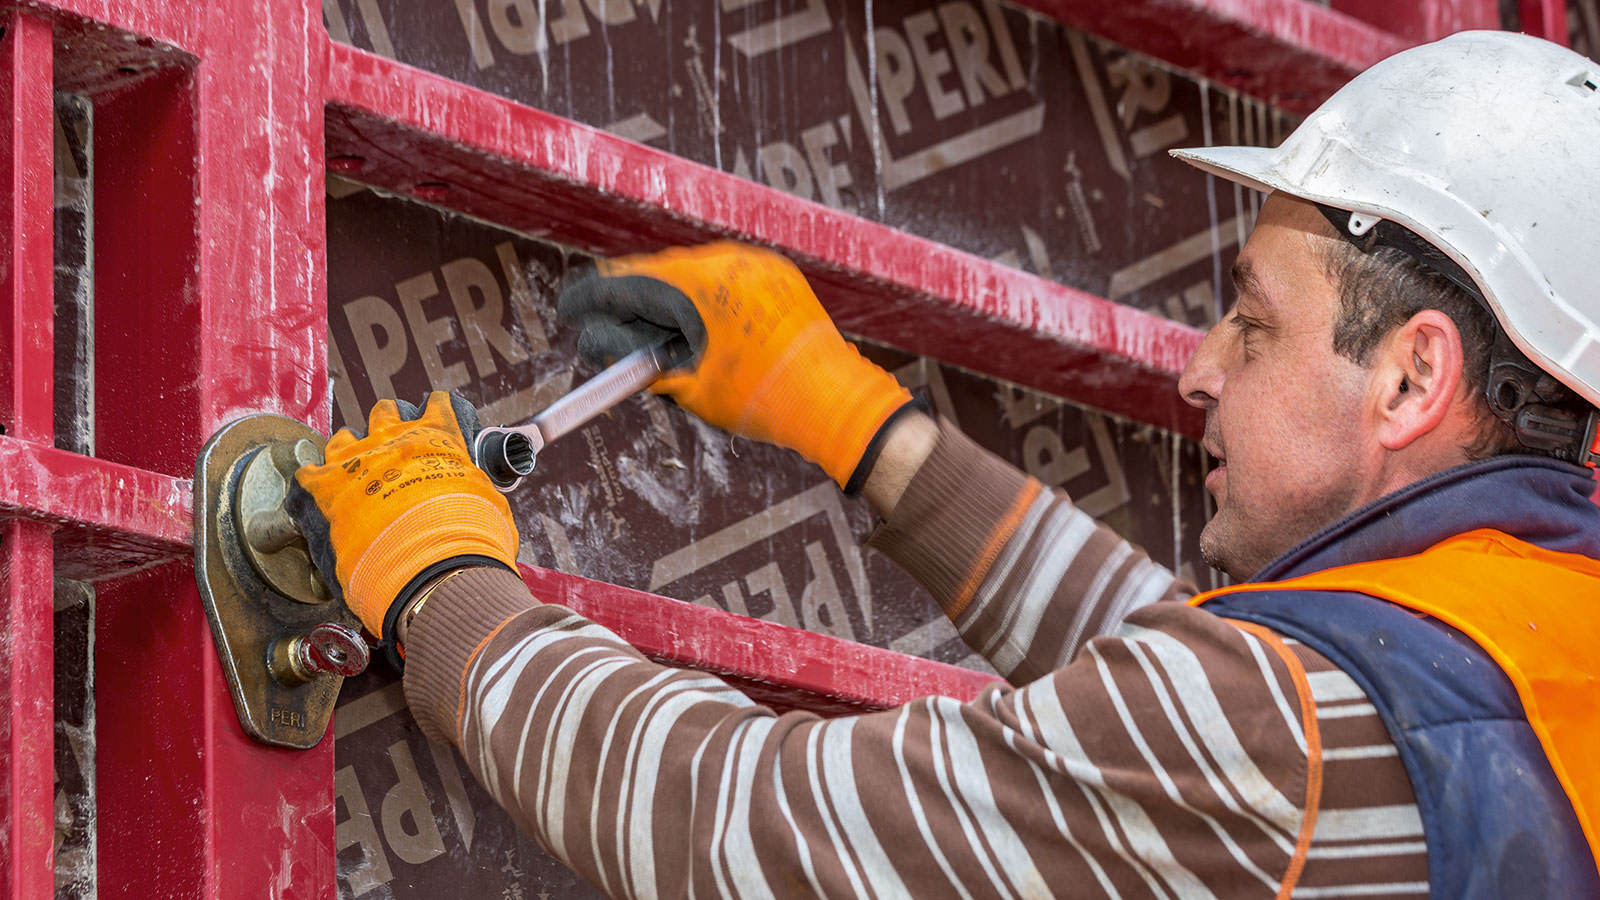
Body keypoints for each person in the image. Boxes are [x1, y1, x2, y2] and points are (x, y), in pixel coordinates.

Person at [289, 30, 1599, 899]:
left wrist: (440, 584)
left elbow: (730, 818)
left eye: (1253, 324)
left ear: (1413, 378)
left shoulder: (1266, 740)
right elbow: (1183, 670)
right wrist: (853, 424)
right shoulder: (1530, 655)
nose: (1199, 370)